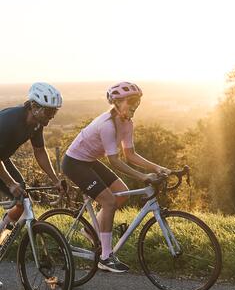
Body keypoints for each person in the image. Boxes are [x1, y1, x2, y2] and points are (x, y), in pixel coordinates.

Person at [62, 81, 171, 273]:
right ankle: (105, 257)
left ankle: (90, 231)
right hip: (74, 163)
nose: (135, 105)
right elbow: (115, 161)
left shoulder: (127, 123)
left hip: (89, 161)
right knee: (110, 202)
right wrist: (143, 176)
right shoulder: (107, 126)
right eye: (131, 101)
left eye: (137, 101)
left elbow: (130, 154)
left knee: (122, 194)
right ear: (117, 102)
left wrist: (157, 167)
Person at [0, 82, 65, 236]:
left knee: (21, 196)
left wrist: (55, 180)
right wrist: (10, 183)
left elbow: (40, 151)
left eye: (53, 112)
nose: (51, 116)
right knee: (14, 188)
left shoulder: (36, 123)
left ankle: (2, 229)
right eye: (48, 112)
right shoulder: (9, 121)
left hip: (2, 159)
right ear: (34, 107)